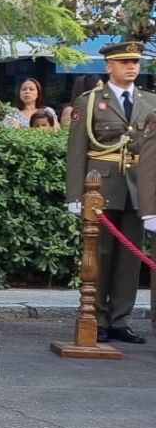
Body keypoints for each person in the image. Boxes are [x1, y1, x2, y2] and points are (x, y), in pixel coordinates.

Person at [65, 42, 151, 344]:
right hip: (99, 186)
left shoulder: (150, 102)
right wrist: (74, 195)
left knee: (130, 256)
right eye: (125, 61)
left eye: (136, 62)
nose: (132, 67)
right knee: (98, 253)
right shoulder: (88, 103)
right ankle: (96, 316)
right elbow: (77, 151)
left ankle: (119, 320)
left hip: (138, 187)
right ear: (108, 66)